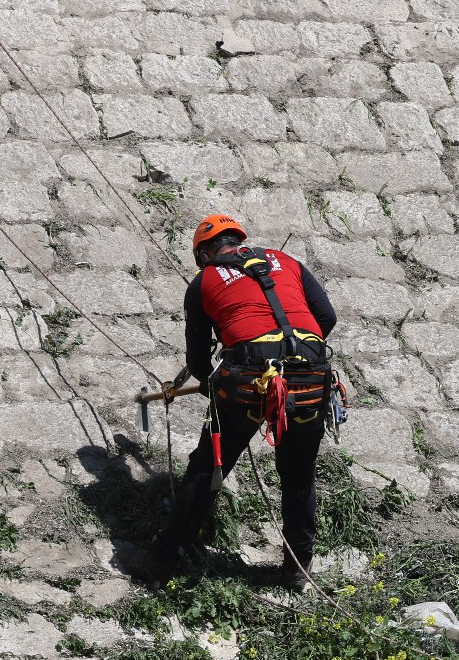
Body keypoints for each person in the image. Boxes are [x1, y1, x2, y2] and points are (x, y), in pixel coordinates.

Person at [120, 214, 339, 586]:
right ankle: (297, 569)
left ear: (204, 254)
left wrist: (214, 378)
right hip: (310, 376)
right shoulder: (286, 262)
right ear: (239, 240)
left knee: (207, 471)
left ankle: (161, 561)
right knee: (298, 475)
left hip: (247, 382)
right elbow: (326, 318)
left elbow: (198, 362)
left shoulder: (204, 280)